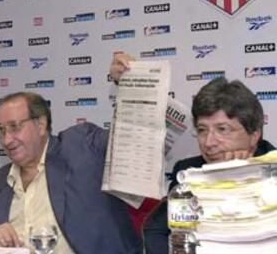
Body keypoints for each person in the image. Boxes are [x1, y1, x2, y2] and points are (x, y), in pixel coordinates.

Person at [111, 53, 275, 253]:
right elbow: (156, 230)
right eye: (202, 130)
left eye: (222, 129)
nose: (209, 142)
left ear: (254, 134)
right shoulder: (188, 172)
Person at [0, 91, 141, 253]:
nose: (6, 140)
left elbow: (132, 139)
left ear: (41, 125)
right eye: (1, 130)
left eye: (15, 127)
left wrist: (127, 83)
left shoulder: (81, 148)